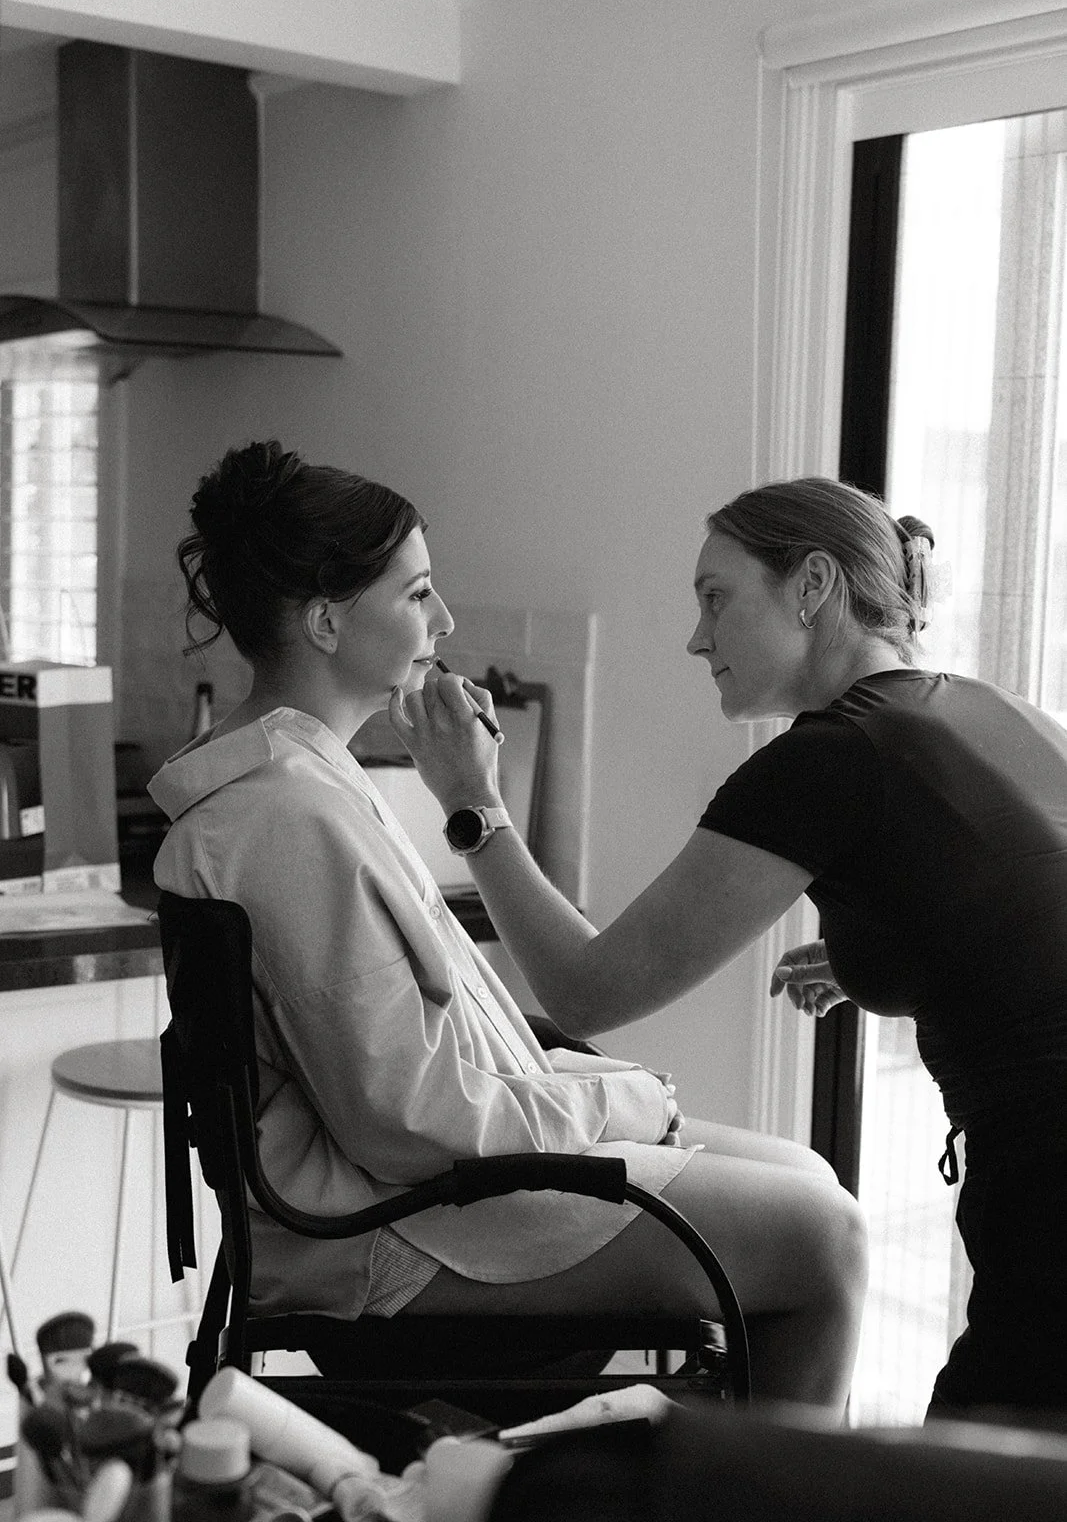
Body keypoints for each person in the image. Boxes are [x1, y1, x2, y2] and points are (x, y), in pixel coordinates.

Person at [148, 442, 866, 1408]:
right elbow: (409, 1123)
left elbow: (439, 1063)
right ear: (323, 620)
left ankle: (718, 1476)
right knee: (826, 1238)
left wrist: (607, 1094)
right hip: (388, 1232)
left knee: (808, 1173)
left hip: (417, 1186)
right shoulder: (285, 818)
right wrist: (629, 1102)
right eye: (416, 596)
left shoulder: (308, 787)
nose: (442, 622)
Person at [394, 472, 1067, 1424]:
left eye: (716, 598)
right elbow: (1020, 897)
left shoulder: (825, 757)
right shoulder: (985, 707)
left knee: (979, 1474)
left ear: (813, 586)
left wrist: (473, 804)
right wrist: (890, 949)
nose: (696, 637)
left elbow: (586, 993)